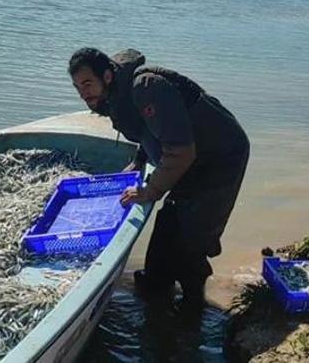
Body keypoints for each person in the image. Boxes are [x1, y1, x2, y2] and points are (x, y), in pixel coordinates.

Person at [68, 47, 249, 310]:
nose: (84, 93)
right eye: (77, 87)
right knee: (166, 232)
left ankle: (193, 311)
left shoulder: (147, 87)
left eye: (87, 83)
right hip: (190, 157)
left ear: (107, 76)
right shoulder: (115, 94)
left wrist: (149, 191)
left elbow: (180, 150)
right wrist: (139, 161)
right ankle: (156, 296)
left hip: (219, 158)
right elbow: (151, 130)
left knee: (191, 239)